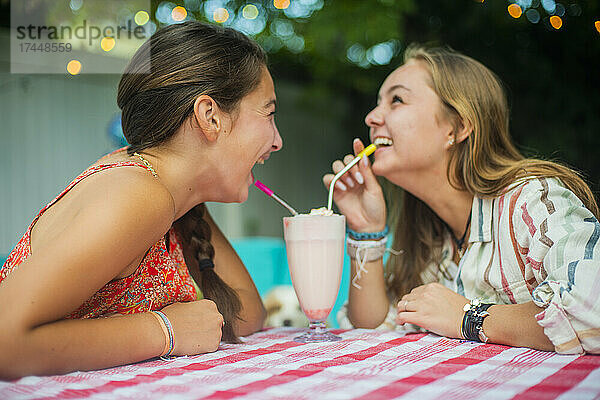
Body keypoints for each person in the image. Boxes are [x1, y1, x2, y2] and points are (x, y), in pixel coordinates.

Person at [0, 21, 282, 379]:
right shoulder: (136, 194)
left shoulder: (173, 197)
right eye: (269, 114)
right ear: (209, 116)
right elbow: (3, 341)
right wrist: (165, 331)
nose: (277, 141)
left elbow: (244, 315)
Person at [324, 44, 600, 354]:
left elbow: (592, 309)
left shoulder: (532, 200)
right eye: (378, 104)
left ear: (457, 127)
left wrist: (467, 316)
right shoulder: (430, 240)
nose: (372, 117)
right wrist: (366, 231)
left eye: (396, 100)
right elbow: (373, 329)